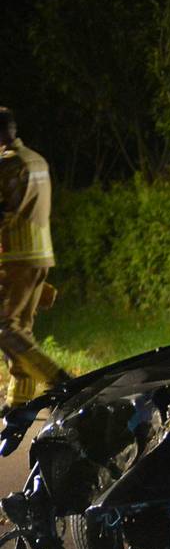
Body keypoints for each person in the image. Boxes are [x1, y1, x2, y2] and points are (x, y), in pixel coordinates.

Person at [0, 107, 68, 409]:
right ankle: (19, 403)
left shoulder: (7, 164)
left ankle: (58, 379)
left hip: (16, 256)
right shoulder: (36, 160)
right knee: (22, 331)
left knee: (6, 327)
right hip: (41, 252)